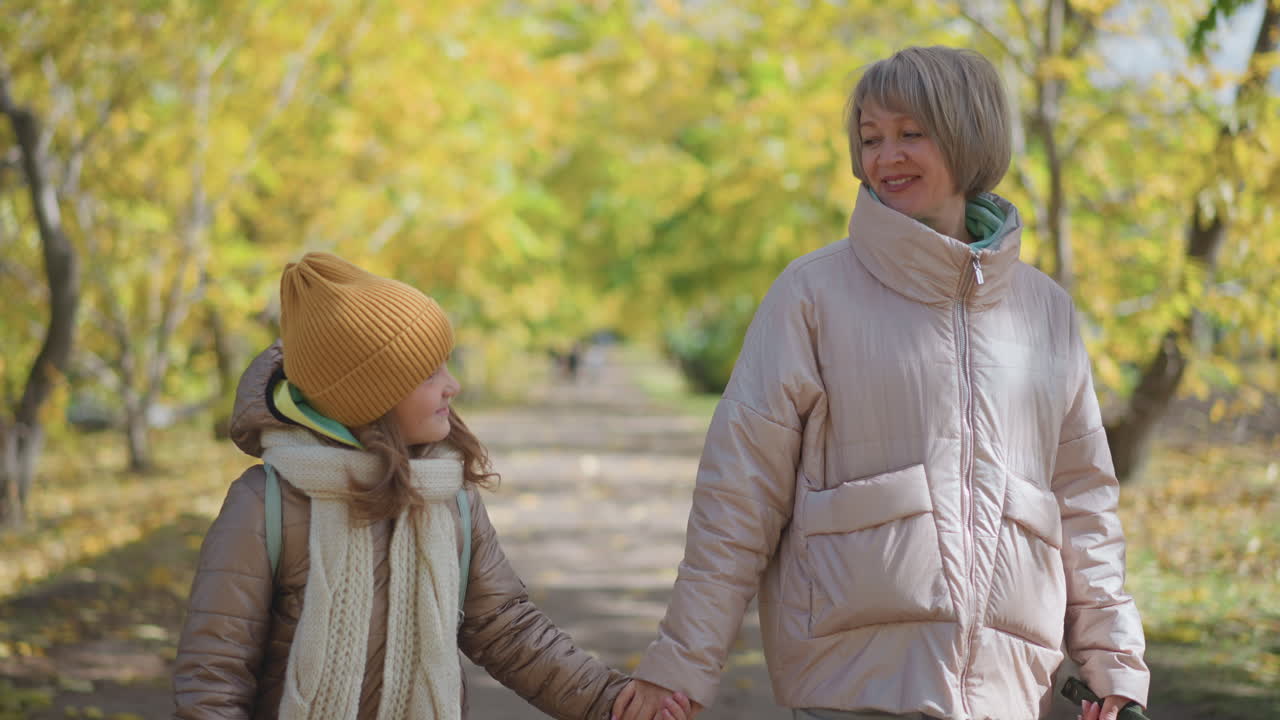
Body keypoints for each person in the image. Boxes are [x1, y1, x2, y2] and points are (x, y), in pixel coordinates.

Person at [612, 46, 1149, 720]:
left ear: (968, 135)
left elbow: (1083, 504)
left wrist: (1114, 663)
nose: (885, 157)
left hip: (1012, 695)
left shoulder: (1046, 313)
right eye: (871, 139)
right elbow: (738, 493)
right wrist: (681, 666)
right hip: (852, 688)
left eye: (909, 134)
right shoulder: (811, 296)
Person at [172, 252, 693, 720]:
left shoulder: (449, 496)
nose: (453, 385)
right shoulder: (264, 504)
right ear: (369, 399)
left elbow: (507, 630)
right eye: (427, 375)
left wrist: (611, 703)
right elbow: (214, 677)